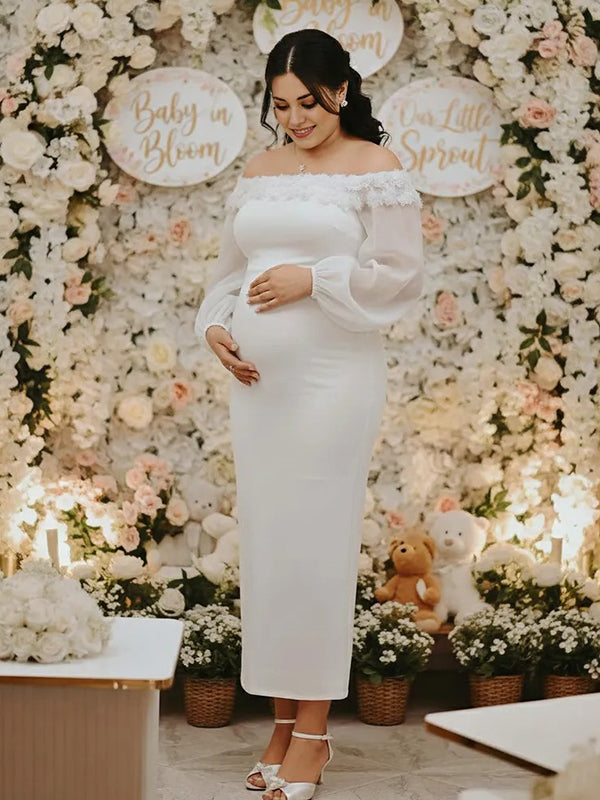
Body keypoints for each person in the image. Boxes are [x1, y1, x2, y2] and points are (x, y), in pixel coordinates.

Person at [194, 28, 425, 800]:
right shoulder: (259, 171)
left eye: (310, 103)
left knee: (317, 551)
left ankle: (315, 734)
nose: (295, 119)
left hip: (333, 383)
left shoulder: (375, 168)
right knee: (271, 551)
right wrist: (217, 328)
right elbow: (228, 275)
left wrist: (313, 279)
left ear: (343, 92)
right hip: (260, 390)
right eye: (281, 105)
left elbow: (399, 274)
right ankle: (283, 725)